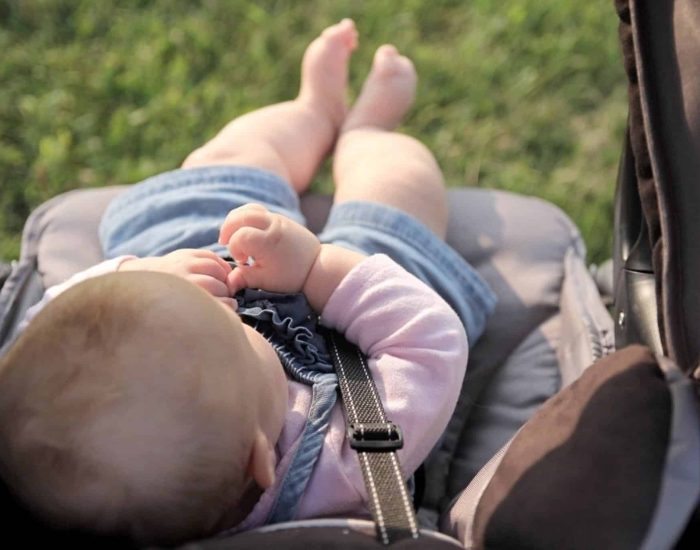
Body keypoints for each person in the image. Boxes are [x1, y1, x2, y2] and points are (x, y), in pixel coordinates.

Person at [0, 19, 496, 546]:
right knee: (400, 195)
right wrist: (317, 269)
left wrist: (147, 275)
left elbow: (48, 320)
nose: (237, 312)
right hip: (356, 324)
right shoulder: (338, 469)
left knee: (220, 166)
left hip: (205, 248)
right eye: (237, 333)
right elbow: (428, 341)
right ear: (262, 458)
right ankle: (370, 132)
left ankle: (313, 111)